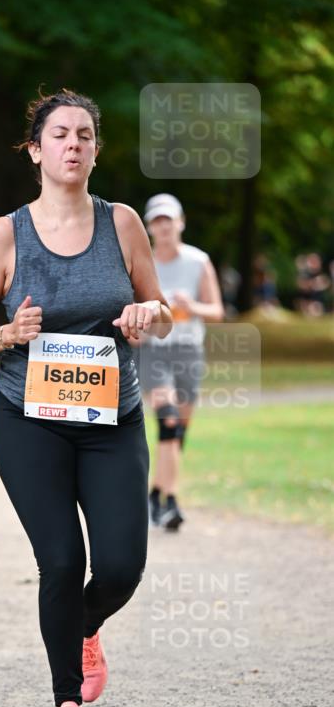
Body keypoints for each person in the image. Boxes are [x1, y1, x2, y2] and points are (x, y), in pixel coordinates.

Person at [0, 88, 173, 707]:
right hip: (29, 420)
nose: (71, 144)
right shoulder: (4, 234)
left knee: (120, 566)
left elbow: (161, 307)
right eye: (58, 134)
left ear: (95, 150)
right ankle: (66, 706)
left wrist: (147, 315)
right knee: (59, 559)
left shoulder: (122, 224)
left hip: (112, 417)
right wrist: (6, 333)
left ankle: (84, 626)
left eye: (83, 135)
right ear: (35, 149)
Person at [138, 194, 224, 531]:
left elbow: (216, 311)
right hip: (154, 350)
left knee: (177, 433)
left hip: (188, 351)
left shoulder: (198, 261)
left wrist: (192, 306)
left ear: (181, 222)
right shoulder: (142, 261)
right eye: (156, 221)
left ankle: (155, 494)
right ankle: (170, 502)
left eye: (168, 220)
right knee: (168, 422)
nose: (163, 227)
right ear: (149, 228)